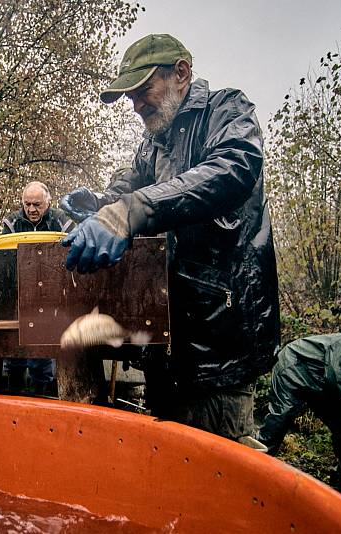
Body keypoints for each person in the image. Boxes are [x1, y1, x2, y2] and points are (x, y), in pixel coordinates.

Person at [60, 34, 280, 442]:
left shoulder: (226, 110)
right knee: (164, 472)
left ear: (181, 72)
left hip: (219, 340)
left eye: (143, 91)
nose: (137, 105)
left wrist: (131, 211)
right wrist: (99, 204)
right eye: (131, 98)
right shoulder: (153, 143)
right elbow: (128, 188)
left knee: (215, 478)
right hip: (164, 339)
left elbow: (232, 169)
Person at [257, 331, 341, 492]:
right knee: (281, 417)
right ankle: (255, 461)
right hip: (294, 366)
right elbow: (339, 378)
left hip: (323, 384)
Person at [2, 181, 73, 395]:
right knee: (15, 348)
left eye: (37, 205)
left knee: (43, 351)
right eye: (27, 204)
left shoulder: (63, 221)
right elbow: (6, 258)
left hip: (52, 293)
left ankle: (42, 395)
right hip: (21, 291)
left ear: (48, 203)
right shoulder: (12, 222)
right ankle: (13, 394)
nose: (32, 209)